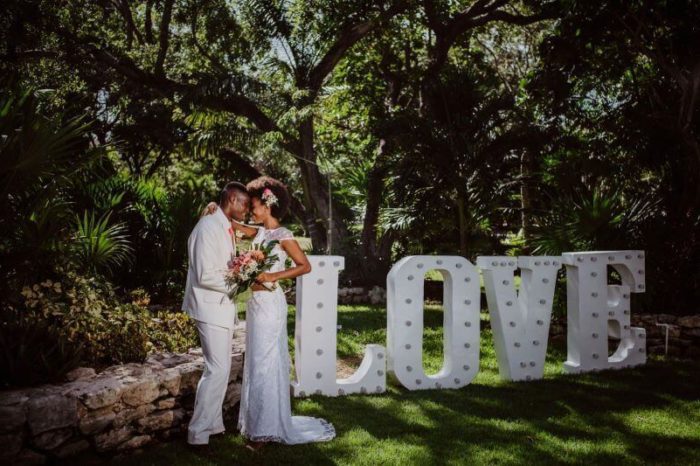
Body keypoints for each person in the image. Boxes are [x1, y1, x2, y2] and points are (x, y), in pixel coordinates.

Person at [205, 176, 335, 451]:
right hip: (256, 305)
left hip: (271, 305)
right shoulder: (261, 232)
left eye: (253, 205)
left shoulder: (283, 235)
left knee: (265, 364)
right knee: (256, 363)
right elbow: (235, 224)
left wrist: (273, 274)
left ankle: (263, 433)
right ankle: (257, 424)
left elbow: (305, 266)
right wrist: (216, 209)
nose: (250, 209)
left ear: (268, 205)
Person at [182, 182, 249, 449]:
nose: (246, 210)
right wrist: (241, 280)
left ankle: (214, 426)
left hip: (221, 307)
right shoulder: (207, 227)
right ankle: (197, 435)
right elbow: (204, 274)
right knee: (217, 369)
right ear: (232, 199)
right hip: (208, 306)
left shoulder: (223, 226)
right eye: (244, 204)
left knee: (220, 369)